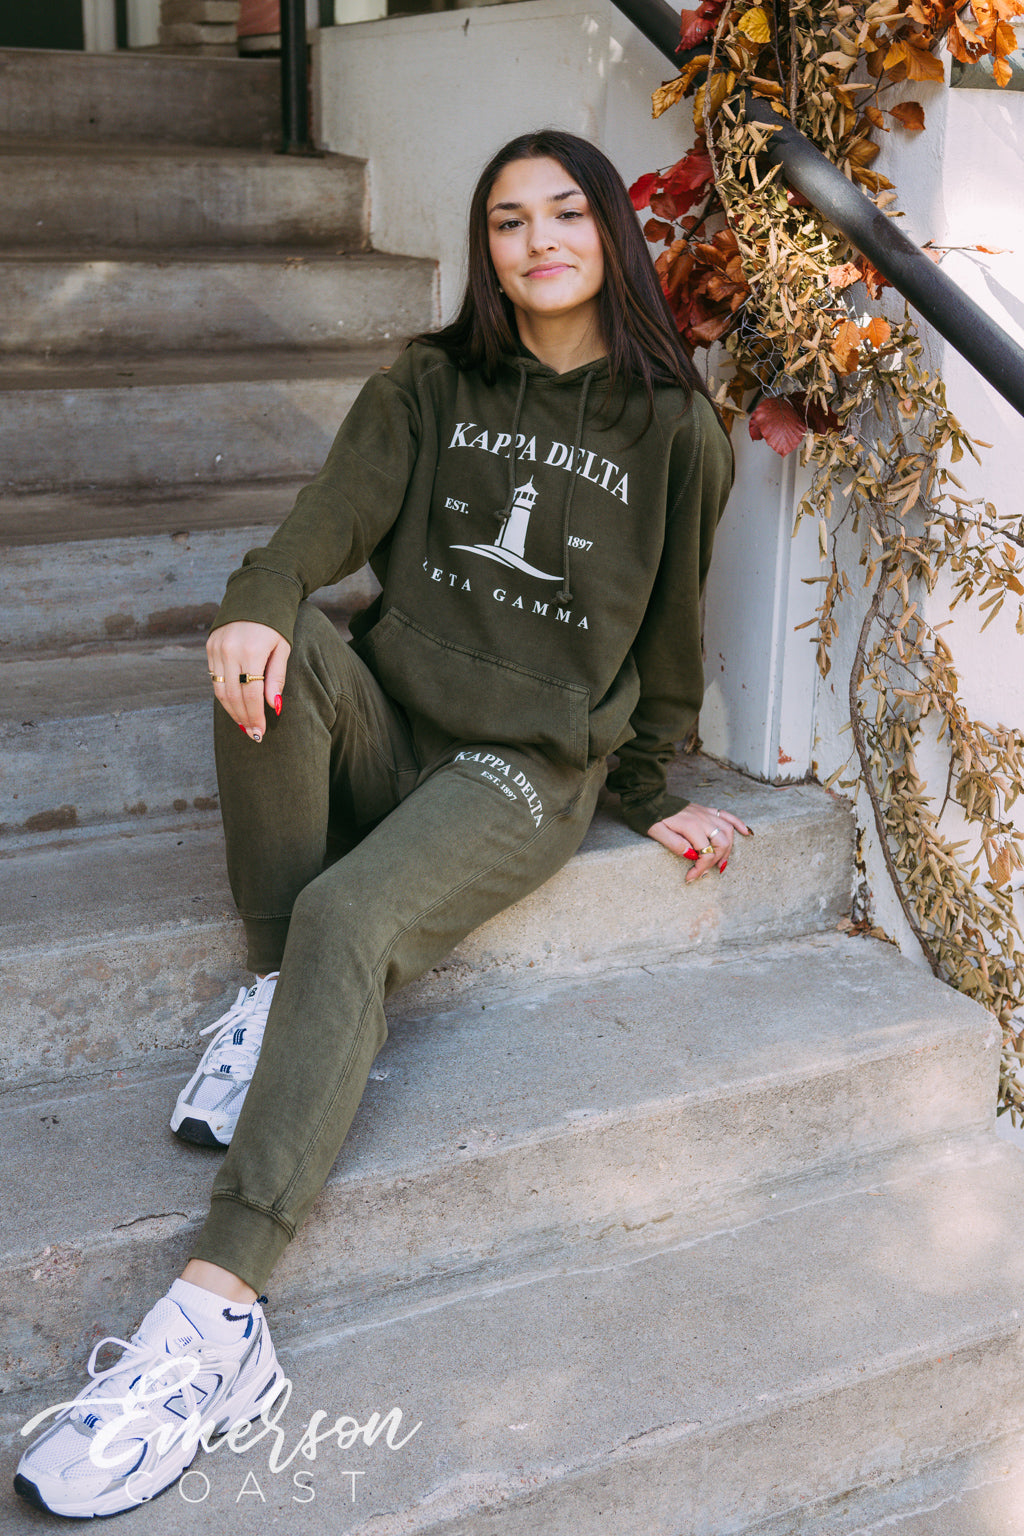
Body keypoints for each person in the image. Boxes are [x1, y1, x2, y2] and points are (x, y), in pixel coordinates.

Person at [14, 128, 748, 1518]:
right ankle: (276, 992)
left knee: (348, 912)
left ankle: (217, 1318)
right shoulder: (429, 382)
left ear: (610, 234)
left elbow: (670, 638)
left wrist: (648, 792)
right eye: (509, 221)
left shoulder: (676, 431)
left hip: (522, 772)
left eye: (566, 214)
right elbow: (326, 521)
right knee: (277, 648)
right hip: (392, 718)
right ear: (486, 249)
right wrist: (255, 599)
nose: (538, 241)